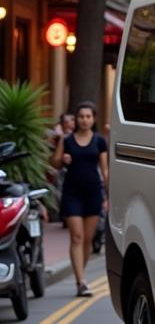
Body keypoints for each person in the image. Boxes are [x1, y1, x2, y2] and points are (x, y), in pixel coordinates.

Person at [50, 101, 109, 297]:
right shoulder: (66, 140)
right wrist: (62, 160)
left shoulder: (99, 141)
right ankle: (81, 281)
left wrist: (108, 196)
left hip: (93, 193)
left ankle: (80, 276)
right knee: (76, 236)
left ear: (93, 119)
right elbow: (55, 164)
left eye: (88, 117)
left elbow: (105, 170)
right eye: (81, 117)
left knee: (87, 240)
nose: (84, 120)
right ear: (75, 119)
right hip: (72, 193)